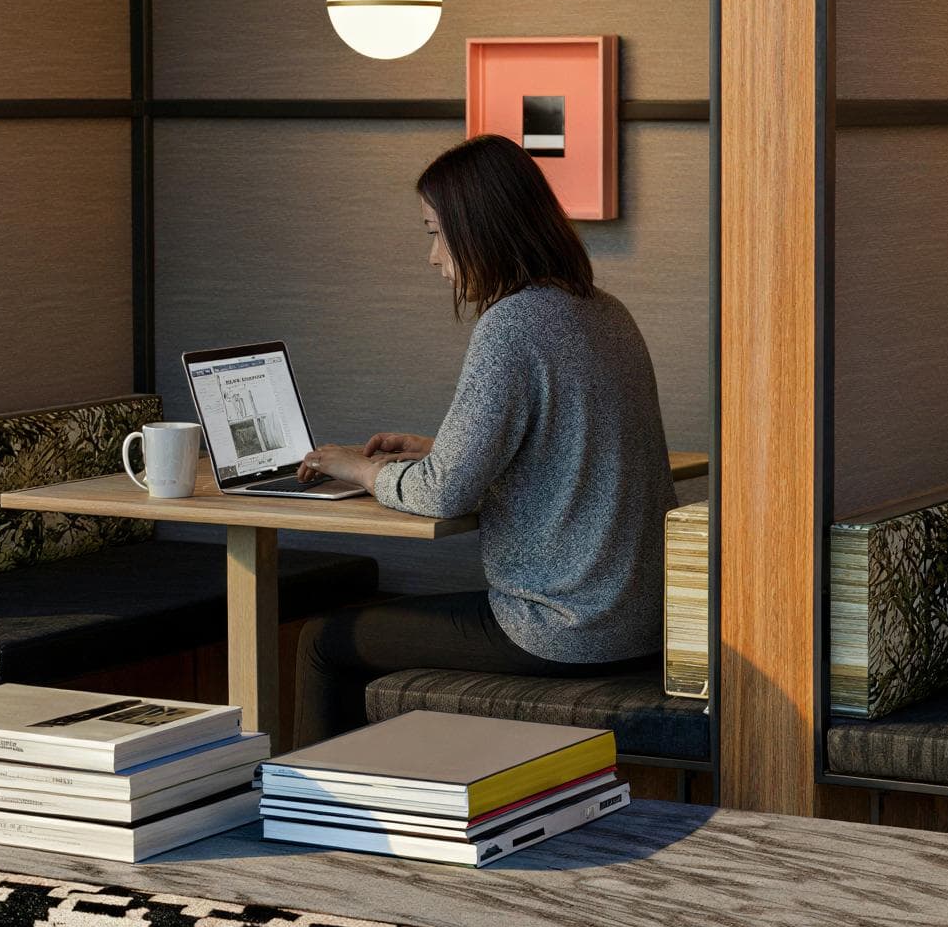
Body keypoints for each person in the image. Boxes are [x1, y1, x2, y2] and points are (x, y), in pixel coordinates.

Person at [287, 134, 674, 743]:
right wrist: (436, 448)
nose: (434, 258)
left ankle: (312, 826)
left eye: (436, 232)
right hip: (640, 620)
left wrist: (352, 467)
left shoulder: (512, 325)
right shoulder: (604, 310)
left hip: (561, 627)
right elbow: (561, 446)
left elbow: (444, 495)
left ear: (483, 229)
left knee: (321, 642)